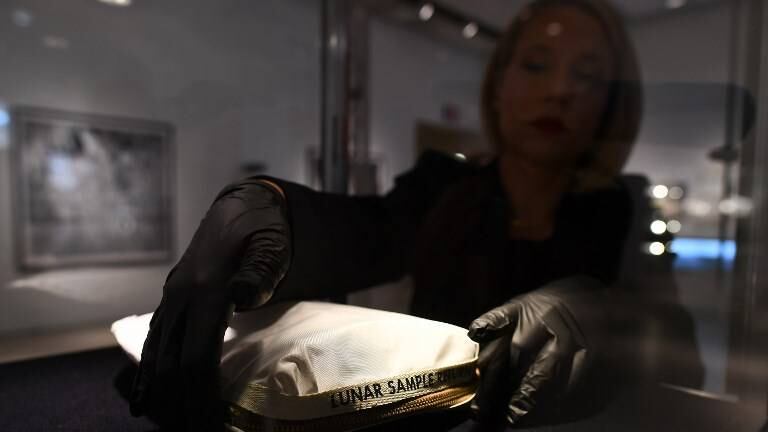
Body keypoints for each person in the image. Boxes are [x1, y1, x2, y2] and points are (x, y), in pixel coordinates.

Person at [129, 0, 644, 430]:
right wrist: (273, 209)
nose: (559, 91)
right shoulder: (445, 187)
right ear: (498, 84)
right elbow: (368, 233)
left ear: (610, 104)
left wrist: (603, 314)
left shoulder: (618, 207)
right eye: (536, 65)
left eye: (587, 76)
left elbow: (659, 324)